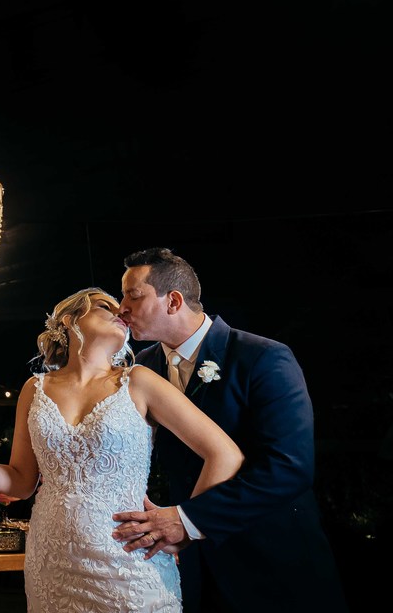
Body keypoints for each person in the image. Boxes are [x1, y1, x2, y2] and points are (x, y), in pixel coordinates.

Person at [0, 287, 243, 613]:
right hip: (52, 565)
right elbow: (20, 481)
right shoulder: (35, 389)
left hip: (127, 564)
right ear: (70, 319)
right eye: (105, 306)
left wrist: (185, 523)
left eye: (122, 309)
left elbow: (224, 454)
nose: (121, 312)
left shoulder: (139, 381)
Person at [111, 247, 348, 612]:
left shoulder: (263, 357)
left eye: (133, 296)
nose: (121, 308)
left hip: (272, 562)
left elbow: (289, 467)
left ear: (173, 301)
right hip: (187, 569)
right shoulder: (144, 367)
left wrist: (188, 520)